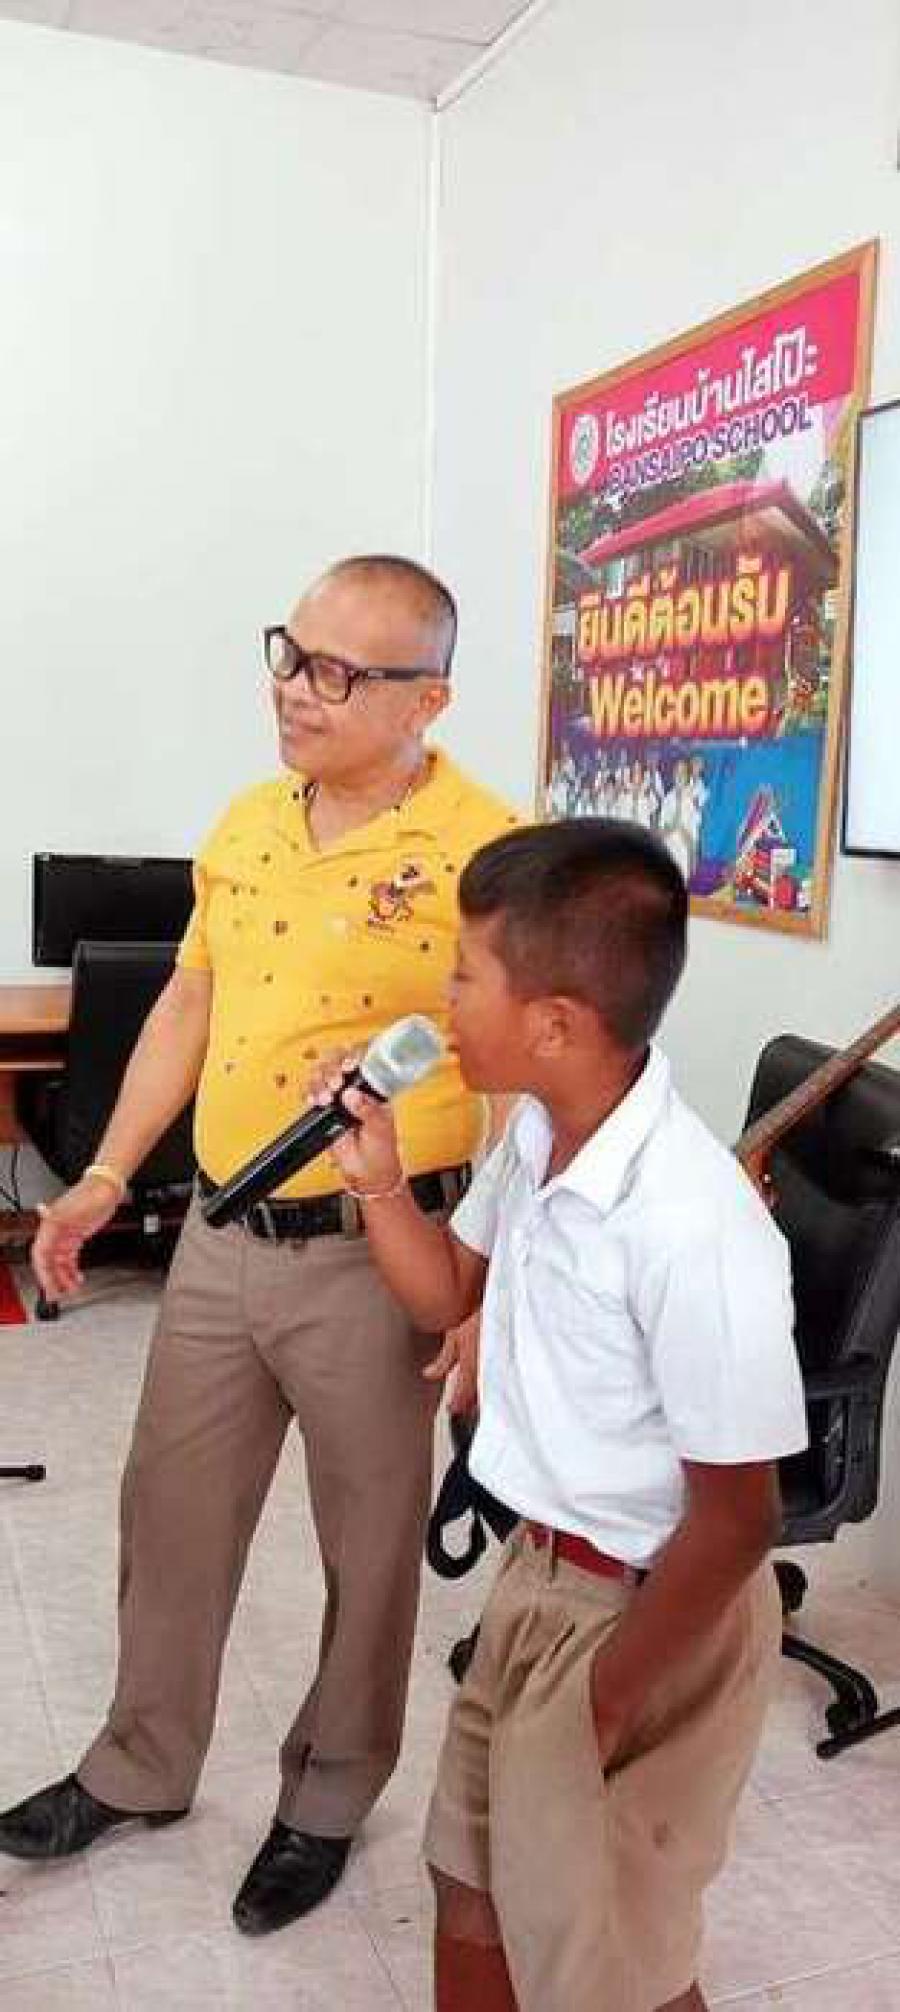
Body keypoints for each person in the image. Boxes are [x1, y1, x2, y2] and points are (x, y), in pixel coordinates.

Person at [0, 554, 517, 1936]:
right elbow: (187, 1005)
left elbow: (520, 1080)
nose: (296, 689)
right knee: (169, 1511)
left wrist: (490, 1283)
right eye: (291, 653)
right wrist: (105, 1172)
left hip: (381, 1246)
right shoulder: (245, 822)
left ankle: (328, 1797)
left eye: (339, 672)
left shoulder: (488, 852)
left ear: (428, 699)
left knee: (368, 1542)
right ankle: (141, 1763)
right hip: (223, 1232)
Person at [312, 817, 807, 2012]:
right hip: (538, 1578)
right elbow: (446, 1292)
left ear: (553, 1022)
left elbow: (739, 1518)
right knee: (471, 1889)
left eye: (463, 974)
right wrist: (378, 1176)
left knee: (610, 1963)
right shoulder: (538, 1132)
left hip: (647, 1610)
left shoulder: (692, 1224)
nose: (441, 998)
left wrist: (606, 1697)